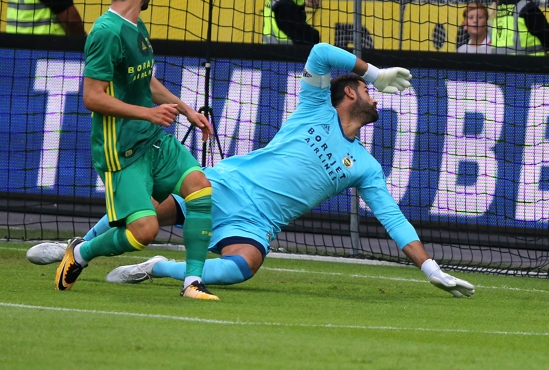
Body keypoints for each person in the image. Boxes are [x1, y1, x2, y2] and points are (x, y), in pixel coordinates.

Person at [31, 44, 475, 299]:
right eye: (368, 91)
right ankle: (74, 248)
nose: (377, 98)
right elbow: (321, 52)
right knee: (140, 213)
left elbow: (393, 219)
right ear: (348, 93)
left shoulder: (366, 166)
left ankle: (158, 267)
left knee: (243, 268)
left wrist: (430, 268)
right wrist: (374, 72)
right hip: (227, 185)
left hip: (257, 223)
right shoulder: (315, 106)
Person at [55, 0, 218, 300]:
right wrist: (147, 113)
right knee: (144, 232)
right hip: (122, 152)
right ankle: (81, 253)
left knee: (201, 188)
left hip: (152, 141)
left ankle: (192, 282)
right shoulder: (106, 32)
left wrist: (186, 109)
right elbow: (92, 97)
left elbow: (145, 80)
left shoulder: (136, 25)